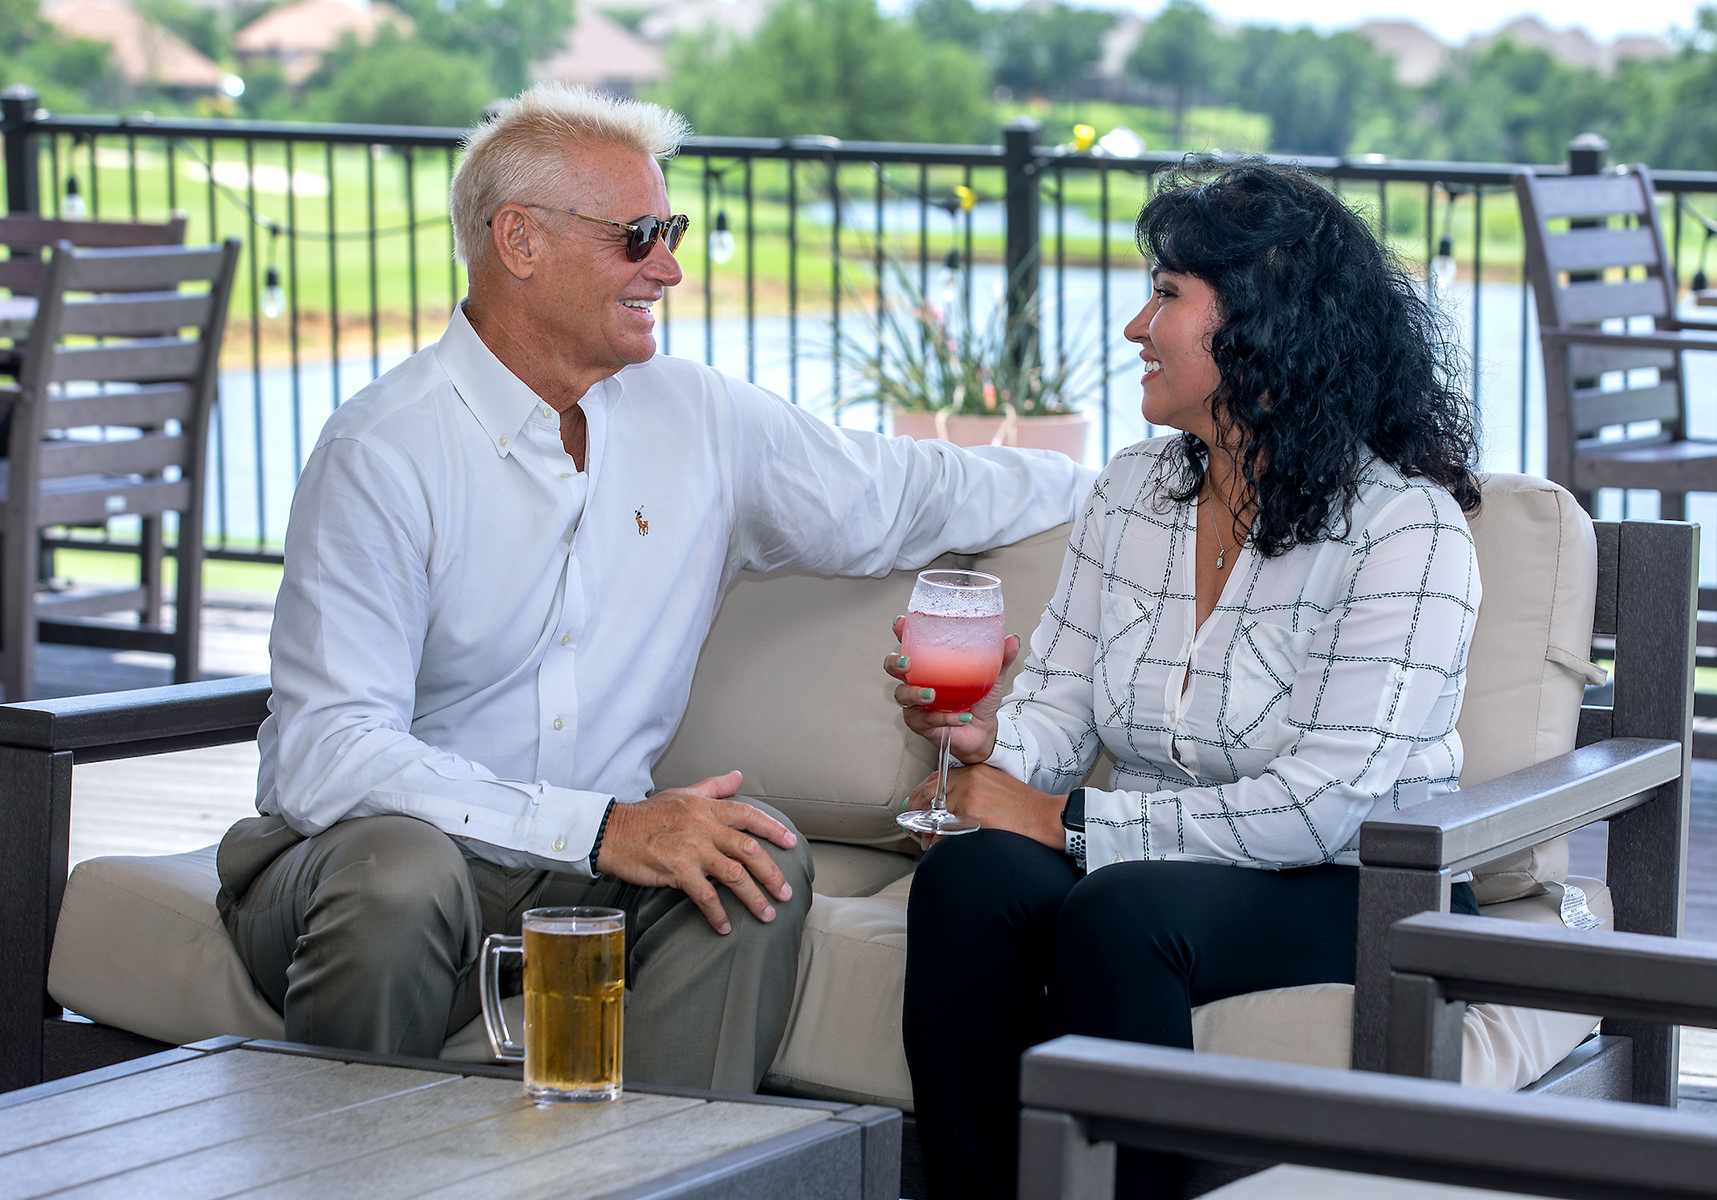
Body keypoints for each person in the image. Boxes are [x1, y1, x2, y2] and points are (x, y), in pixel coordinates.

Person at [213, 83, 1091, 1094]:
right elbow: (328, 755)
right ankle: (346, 1158)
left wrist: (1145, 486)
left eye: (668, 232)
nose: (668, 267)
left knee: (755, 859)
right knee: (402, 876)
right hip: (370, 869)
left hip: (586, 877)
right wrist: (600, 829)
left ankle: (660, 1161)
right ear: (519, 240)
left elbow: (914, 489)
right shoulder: (383, 449)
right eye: (638, 236)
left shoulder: (699, 420)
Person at [886, 157, 1484, 1198]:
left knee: (1120, 911)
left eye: (1166, 295)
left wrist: (1068, 824)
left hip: (1358, 880)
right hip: (1153, 861)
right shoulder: (1133, 490)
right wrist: (994, 748)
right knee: (968, 883)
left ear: (1264, 324)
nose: (1136, 327)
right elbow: (1061, 700)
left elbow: (1324, 805)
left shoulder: (1406, 528)